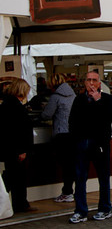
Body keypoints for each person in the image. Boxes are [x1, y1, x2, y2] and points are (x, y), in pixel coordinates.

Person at [68, 71, 112, 224]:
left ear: (99, 83)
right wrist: (76, 139)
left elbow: (109, 118)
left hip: (99, 144)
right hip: (82, 143)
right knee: (80, 178)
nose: (91, 83)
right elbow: (72, 121)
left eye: (94, 80)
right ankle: (80, 211)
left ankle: (104, 208)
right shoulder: (79, 100)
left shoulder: (107, 100)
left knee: (103, 177)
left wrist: (98, 101)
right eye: (88, 80)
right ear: (84, 82)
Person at [0, 78, 35, 213]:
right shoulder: (16, 107)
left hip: (9, 148)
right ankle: (20, 204)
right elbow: (18, 130)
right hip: (16, 149)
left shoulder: (6, 105)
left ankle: (19, 203)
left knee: (13, 176)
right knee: (16, 177)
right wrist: (22, 150)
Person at [41, 73, 76, 202]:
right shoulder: (73, 95)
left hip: (61, 134)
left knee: (65, 164)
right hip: (72, 133)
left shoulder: (55, 97)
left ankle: (67, 192)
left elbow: (46, 115)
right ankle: (71, 191)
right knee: (71, 164)